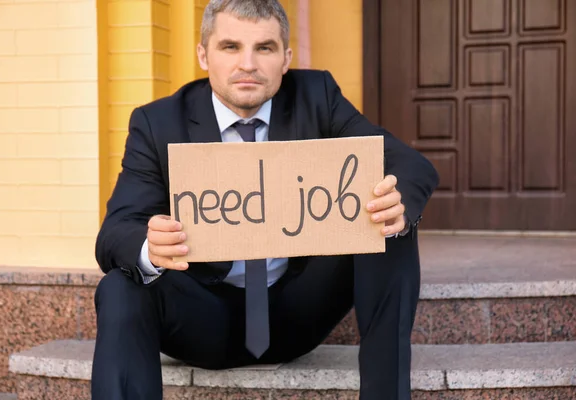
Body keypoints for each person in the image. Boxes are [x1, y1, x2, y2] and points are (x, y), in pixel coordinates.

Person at [91, 0, 439, 399]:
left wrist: (399, 202)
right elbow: (115, 231)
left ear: (286, 58)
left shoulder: (317, 96)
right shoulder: (158, 122)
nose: (248, 64)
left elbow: (406, 163)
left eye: (265, 48)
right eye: (230, 47)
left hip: (297, 310)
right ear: (203, 55)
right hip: (203, 316)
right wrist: (150, 247)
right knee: (119, 285)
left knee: (388, 216)